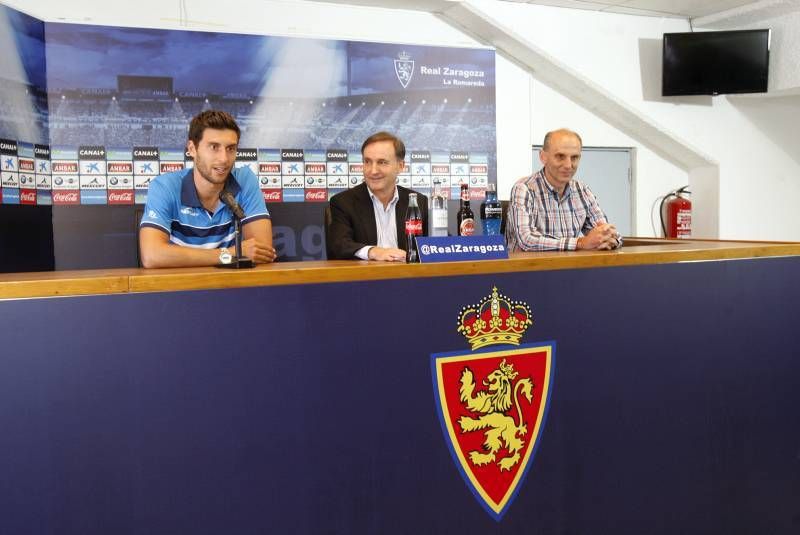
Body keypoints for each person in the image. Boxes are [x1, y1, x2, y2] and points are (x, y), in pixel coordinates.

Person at [139, 110, 277, 268]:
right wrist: (229, 254)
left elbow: (261, 251)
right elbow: (152, 256)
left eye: (230, 148)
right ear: (192, 149)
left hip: (231, 287)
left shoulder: (245, 180)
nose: (224, 159)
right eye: (214, 147)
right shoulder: (165, 186)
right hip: (179, 288)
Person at [505, 128, 622, 252]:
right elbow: (527, 240)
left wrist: (611, 239)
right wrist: (580, 243)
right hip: (528, 269)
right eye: (560, 156)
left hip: (570, 269)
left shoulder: (582, 191)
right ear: (543, 157)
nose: (568, 165)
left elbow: (606, 233)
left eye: (574, 157)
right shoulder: (524, 189)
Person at [326, 131, 428, 261]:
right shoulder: (343, 202)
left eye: (382, 162)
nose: (373, 171)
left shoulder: (417, 201)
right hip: (364, 278)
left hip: (408, 277)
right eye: (367, 162)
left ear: (400, 166)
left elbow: (434, 243)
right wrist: (373, 252)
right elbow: (339, 245)